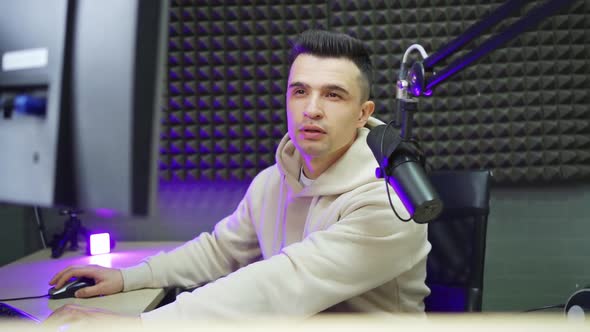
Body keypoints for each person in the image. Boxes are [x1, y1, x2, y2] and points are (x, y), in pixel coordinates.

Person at [47, 29, 430, 325]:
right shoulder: (272, 182)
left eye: (333, 95)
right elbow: (221, 250)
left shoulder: (390, 201)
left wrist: (141, 324)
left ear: (363, 113)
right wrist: (129, 278)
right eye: (300, 91)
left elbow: (283, 283)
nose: (311, 109)